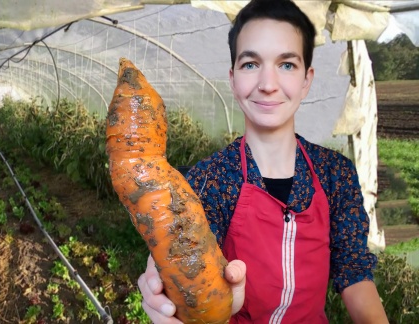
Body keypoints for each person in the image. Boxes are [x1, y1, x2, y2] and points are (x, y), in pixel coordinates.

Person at [138, 0, 389, 323]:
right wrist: (165, 280)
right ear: (232, 78)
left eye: (286, 65)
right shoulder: (210, 179)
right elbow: (189, 264)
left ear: (307, 79)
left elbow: (354, 272)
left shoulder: (335, 174)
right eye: (250, 64)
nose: (268, 84)